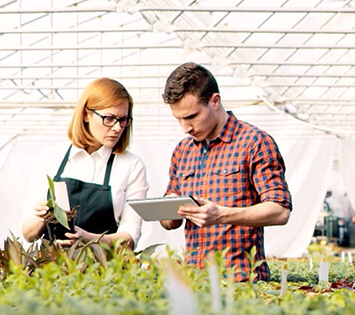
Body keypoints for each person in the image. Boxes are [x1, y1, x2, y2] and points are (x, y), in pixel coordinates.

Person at [159, 62, 292, 282]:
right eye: (179, 119)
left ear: (215, 101)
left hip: (242, 282)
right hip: (195, 281)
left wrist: (221, 214)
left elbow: (280, 211)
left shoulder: (255, 142)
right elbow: (169, 223)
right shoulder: (183, 151)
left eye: (191, 116)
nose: (186, 127)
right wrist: (169, 210)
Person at [21, 77, 149, 249]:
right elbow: (28, 234)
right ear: (87, 114)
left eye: (123, 120)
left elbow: (130, 237)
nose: (117, 128)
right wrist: (43, 216)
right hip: (51, 268)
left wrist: (90, 239)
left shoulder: (130, 165)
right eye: (109, 118)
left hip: (104, 271)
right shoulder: (52, 157)